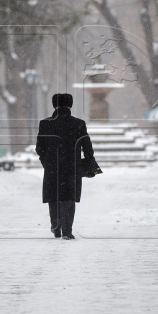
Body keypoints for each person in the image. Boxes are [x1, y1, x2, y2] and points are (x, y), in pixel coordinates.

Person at [35, 93, 94, 240]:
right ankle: (67, 230)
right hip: (72, 167)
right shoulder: (79, 123)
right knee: (69, 198)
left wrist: (46, 162)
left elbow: (39, 148)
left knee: (53, 197)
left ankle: (56, 226)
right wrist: (88, 162)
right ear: (71, 105)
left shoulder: (45, 123)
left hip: (52, 167)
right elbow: (87, 146)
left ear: (54, 106)